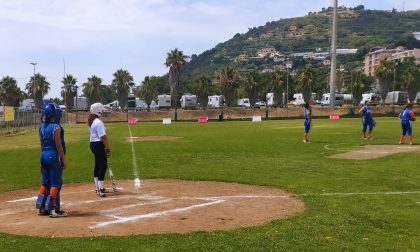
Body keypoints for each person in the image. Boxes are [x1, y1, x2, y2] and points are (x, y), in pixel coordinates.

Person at [35, 103, 68, 217]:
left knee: (45, 183)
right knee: (56, 183)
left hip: (43, 155)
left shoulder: (41, 126)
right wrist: (63, 160)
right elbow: (58, 145)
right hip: (53, 155)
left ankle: (42, 207)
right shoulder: (56, 127)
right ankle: (54, 210)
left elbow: (41, 144)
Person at [88, 103, 111, 197]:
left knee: (97, 165)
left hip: (93, 144)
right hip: (98, 144)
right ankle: (100, 189)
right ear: (99, 111)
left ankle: (98, 187)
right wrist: (107, 148)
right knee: (103, 166)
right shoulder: (98, 122)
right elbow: (103, 137)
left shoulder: (92, 121)